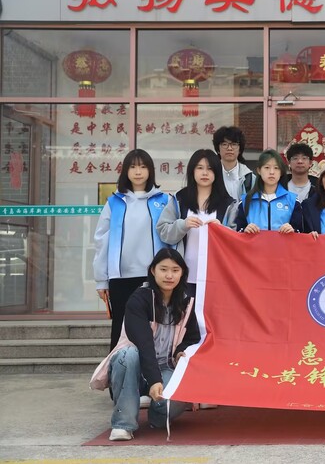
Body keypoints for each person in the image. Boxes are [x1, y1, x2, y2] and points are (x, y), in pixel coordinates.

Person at [89, 248, 200, 441]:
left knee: (176, 398)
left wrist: (180, 351)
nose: (169, 275)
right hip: (135, 366)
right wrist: (154, 379)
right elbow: (144, 343)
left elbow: (193, 338)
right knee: (128, 355)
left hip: (165, 366)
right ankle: (123, 424)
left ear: (182, 274)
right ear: (153, 271)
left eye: (175, 270)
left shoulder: (185, 303)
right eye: (163, 269)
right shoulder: (139, 299)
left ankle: (157, 416)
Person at [93, 149, 172, 351]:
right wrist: (101, 279)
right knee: (120, 327)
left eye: (143, 167)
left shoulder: (164, 200)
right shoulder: (114, 202)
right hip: (121, 278)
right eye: (133, 167)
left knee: (155, 327)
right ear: (125, 171)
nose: (138, 172)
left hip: (154, 277)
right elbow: (102, 240)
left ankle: (153, 370)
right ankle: (118, 369)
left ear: (150, 171)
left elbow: (172, 239)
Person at [157, 149, 235, 297]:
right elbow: (163, 231)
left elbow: (237, 240)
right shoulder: (179, 199)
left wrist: (222, 230)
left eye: (210, 169)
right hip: (183, 276)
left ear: (217, 173)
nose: (205, 173)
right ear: (192, 171)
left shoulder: (228, 204)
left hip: (216, 276)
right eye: (200, 168)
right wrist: (183, 225)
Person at [234, 149, 299, 234]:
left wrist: (292, 230)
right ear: (259, 170)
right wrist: (245, 230)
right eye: (267, 167)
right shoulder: (246, 201)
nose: (271, 172)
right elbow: (237, 232)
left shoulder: (293, 200)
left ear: (281, 172)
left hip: (283, 243)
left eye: (276, 168)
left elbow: (300, 233)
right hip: (255, 243)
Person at [212, 126, 253, 200]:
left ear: (240, 149)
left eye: (234, 144)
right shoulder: (211, 174)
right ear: (218, 149)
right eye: (224, 144)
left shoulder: (250, 178)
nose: (229, 148)